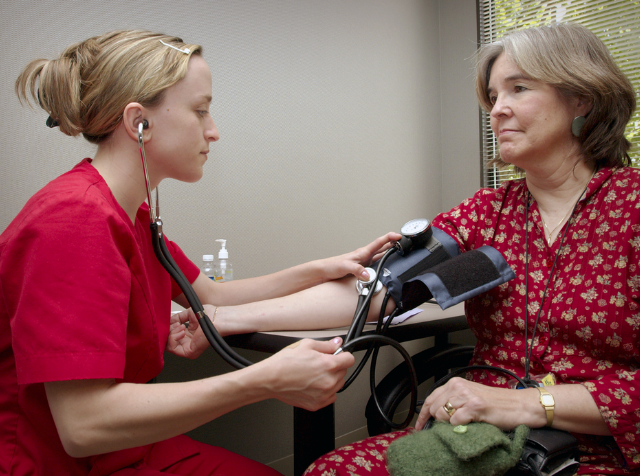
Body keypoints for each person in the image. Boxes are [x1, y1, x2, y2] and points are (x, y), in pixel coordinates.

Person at [0, 30, 401, 476]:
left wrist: (321, 267)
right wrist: (263, 380)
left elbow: (214, 295)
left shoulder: (127, 214)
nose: (214, 131)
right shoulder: (74, 220)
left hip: (129, 450)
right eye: (200, 110)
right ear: (139, 123)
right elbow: (82, 426)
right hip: (56, 462)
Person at [304, 22, 639, 476]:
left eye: (518, 88)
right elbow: (382, 291)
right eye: (494, 97)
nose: (497, 110)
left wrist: (528, 403)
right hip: (473, 439)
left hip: (598, 451)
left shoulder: (632, 207)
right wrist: (222, 317)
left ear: (582, 97)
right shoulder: (489, 214)